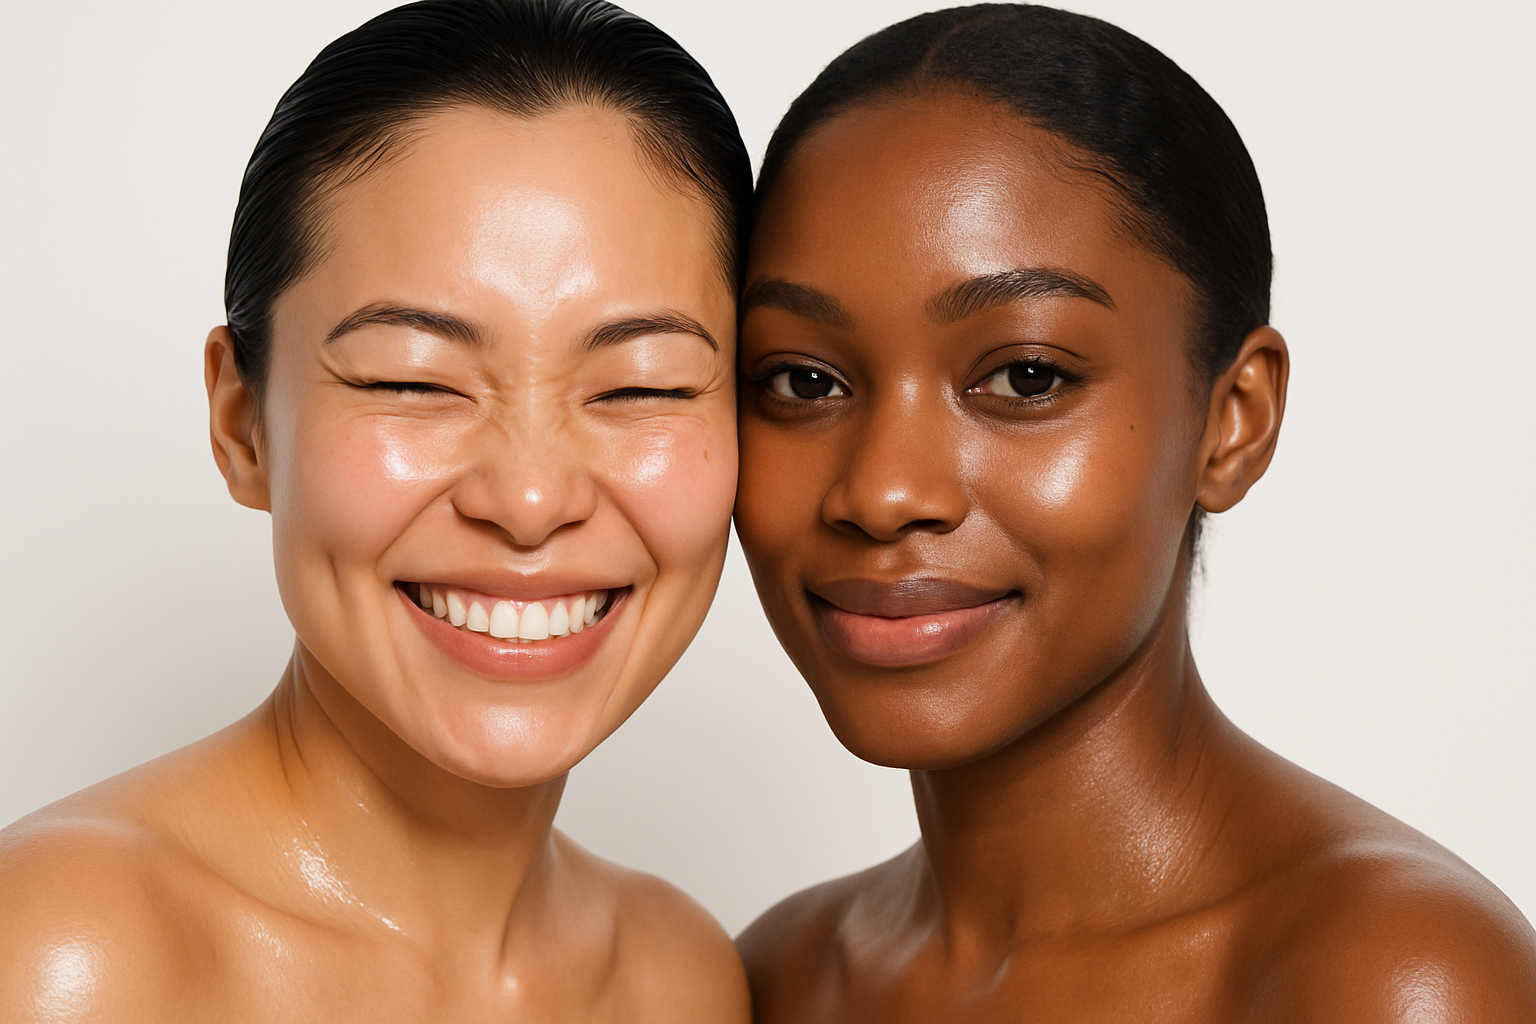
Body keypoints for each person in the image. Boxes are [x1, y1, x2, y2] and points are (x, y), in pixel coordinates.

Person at [732, 5, 1536, 1020]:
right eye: (804, 381)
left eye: (1024, 376)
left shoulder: (1387, 980)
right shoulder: (774, 976)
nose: (885, 491)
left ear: (1231, 422)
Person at [0, 0, 751, 1019]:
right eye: (412, 379)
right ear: (241, 423)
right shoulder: (63, 952)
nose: (530, 499)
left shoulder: (683, 978)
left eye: (643, 386)